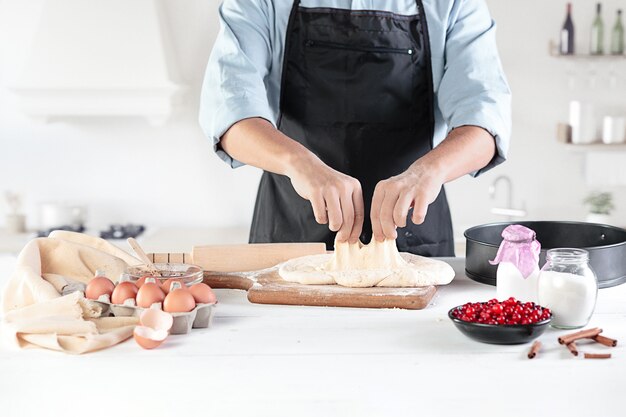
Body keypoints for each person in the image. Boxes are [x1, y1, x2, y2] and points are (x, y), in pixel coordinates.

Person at [200, 0, 511, 257]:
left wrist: (428, 171)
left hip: (412, 242)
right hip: (292, 235)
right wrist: (300, 163)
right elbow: (229, 111)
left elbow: (485, 117)